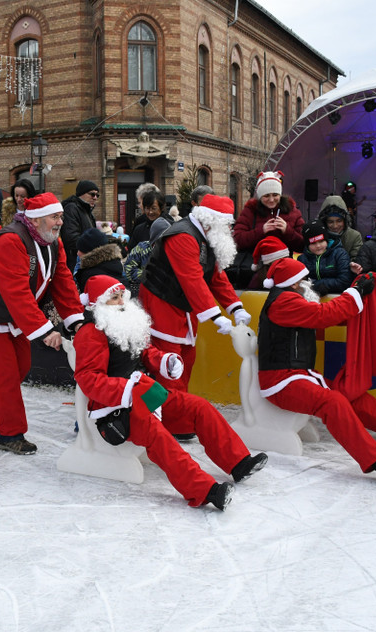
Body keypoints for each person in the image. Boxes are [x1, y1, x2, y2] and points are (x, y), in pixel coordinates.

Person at [72, 275, 267, 510]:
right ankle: (206, 491)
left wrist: (164, 360)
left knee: (198, 407)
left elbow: (145, 352)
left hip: (145, 394)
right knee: (159, 436)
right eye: (114, 298)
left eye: (122, 295)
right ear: (97, 304)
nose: (122, 301)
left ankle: (239, 462)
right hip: (115, 410)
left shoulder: (125, 323)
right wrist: (126, 390)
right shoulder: (91, 333)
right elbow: (88, 379)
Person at [257, 258, 376, 481]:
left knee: (349, 395)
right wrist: (355, 292)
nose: (307, 282)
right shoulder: (284, 301)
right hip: (280, 382)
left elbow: (327, 315)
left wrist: (358, 298)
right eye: (304, 279)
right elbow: (324, 316)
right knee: (332, 402)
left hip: (296, 376)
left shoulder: (290, 298)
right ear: (294, 283)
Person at [0, 192, 85, 454]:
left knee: (21, 366)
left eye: (60, 216)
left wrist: (76, 320)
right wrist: (45, 331)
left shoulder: (53, 242)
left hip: (12, 313)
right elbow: (16, 293)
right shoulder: (10, 240)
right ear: (37, 220)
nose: (60, 222)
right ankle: (10, 435)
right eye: (54, 216)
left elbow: (62, 282)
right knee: (4, 374)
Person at [140, 193, 251, 394]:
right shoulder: (183, 236)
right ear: (212, 221)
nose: (229, 230)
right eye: (226, 225)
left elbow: (215, 277)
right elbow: (192, 280)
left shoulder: (206, 237)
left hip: (182, 308)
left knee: (187, 362)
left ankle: (179, 410)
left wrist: (236, 308)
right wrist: (216, 317)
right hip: (162, 305)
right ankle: (161, 415)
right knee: (169, 368)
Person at [233, 171, 305, 253]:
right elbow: (237, 241)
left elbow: (303, 245)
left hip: (284, 263)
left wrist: (287, 230)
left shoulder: (292, 211)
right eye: (266, 196)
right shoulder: (250, 211)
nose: (271, 200)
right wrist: (261, 231)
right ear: (260, 196)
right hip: (255, 263)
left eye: (275, 195)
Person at [297, 221, 351, 296]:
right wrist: (317, 286)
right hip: (311, 299)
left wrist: (321, 284)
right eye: (313, 243)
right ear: (307, 245)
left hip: (338, 298)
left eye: (321, 241)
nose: (318, 246)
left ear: (327, 240)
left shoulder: (339, 254)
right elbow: (300, 284)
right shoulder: (302, 259)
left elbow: (345, 281)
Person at [124, 216, 170, 297]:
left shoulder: (171, 250)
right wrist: (148, 275)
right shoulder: (141, 248)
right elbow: (129, 268)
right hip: (143, 292)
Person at [73, 227, 126, 293]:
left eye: (81, 250)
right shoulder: (114, 263)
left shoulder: (91, 274)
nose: (78, 253)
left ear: (90, 253)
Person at [61, 180, 99, 270]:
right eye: (92, 194)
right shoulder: (71, 208)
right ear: (81, 194)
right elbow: (71, 239)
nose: (95, 198)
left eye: (97, 195)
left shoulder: (87, 211)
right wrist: (95, 244)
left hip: (86, 261)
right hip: (75, 263)